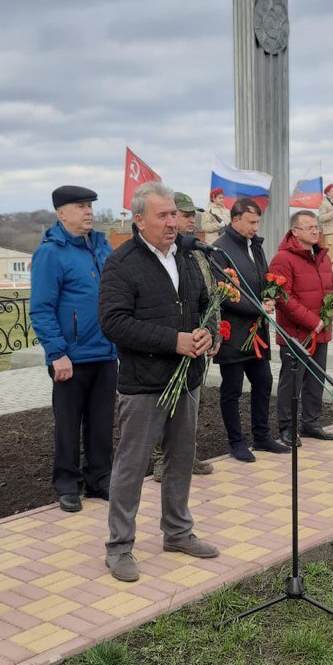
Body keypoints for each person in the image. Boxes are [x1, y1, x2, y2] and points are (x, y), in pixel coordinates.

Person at [99, 182, 219, 582]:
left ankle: (178, 532)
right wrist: (174, 341)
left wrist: (208, 334)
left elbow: (203, 303)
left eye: (174, 215)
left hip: (186, 379)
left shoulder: (185, 255)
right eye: (163, 216)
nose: (173, 223)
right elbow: (113, 323)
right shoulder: (121, 263)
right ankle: (119, 547)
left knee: (181, 458)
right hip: (144, 383)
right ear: (138, 220)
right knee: (131, 466)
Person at [30, 185, 117, 513]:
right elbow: (41, 308)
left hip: (106, 353)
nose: (88, 212)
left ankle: (99, 478)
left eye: (91, 206)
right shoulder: (51, 253)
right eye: (80, 206)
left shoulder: (101, 247)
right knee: (68, 424)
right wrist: (56, 353)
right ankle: (67, 484)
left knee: (101, 421)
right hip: (71, 357)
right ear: (61, 213)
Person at [270, 211, 333, 445]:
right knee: (292, 382)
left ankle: (311, 422)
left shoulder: (322, 256)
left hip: (321, 331)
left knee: (316, 379)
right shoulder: (283, 259)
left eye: (316, 226)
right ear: (295, 231)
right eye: (309, 227)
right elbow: (282, 298)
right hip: (296, 334)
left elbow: (329, 288)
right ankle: (287, 428)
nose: (315, 230)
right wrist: (312, 321)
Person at [215, 198, 289, 462]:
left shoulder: (255, 246)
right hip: (233, 332)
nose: (256, 227)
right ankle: (236, 442)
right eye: (251, 222)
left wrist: (270, 296)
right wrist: (257, 307)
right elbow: (224, 292)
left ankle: (262, 436)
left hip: (257, 330)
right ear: (235, 220)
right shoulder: (219, 249)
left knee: (263, 382)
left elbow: (264, 277)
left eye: (257, 222)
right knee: (232, 388)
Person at [150, 191, 217, 482]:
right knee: (165, 403)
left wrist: (215, 332)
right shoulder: (161, 255)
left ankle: (186, 455)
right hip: (171, 343)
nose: (191, 220)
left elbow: (211, 295)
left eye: (192, 215)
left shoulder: (197, 252)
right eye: (184, 214)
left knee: (192, 402)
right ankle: (159, 460)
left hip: (199, 340)